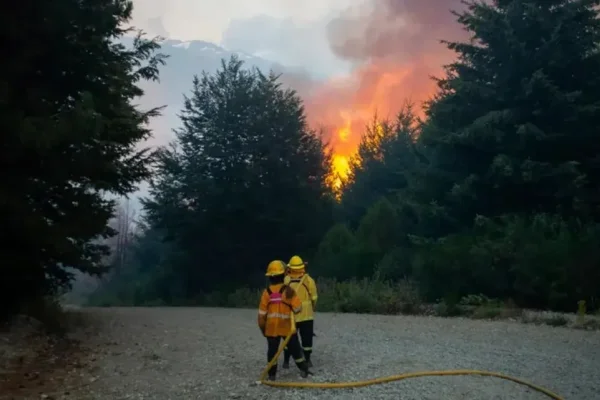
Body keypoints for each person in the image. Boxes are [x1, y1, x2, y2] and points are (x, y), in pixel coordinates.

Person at [258, 260, 311, 381]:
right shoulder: (289, 291)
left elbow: (261, 316)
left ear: (270, 277)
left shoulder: (266, 293)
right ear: (284, 275)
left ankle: (272, 375)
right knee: (295, 349)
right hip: (287, 327)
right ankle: (304, 369)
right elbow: (298, 309)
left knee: (272, 352)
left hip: (271, 328)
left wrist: (263, 329)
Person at [282, 255, 318, 369]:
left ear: (290, 268)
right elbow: (314, 298)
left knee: (289, 339)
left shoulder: (286, 281)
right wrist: (312, 308)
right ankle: (307, 360)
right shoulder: (309, 280)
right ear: (303, 267)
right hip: (307, 316)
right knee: (307, 340)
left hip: (291, 316)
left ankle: (286, 361)